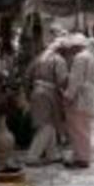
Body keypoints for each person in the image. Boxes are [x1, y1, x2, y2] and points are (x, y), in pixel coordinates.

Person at [62, 33, 94, 169]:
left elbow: (75, 79)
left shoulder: (80, 58)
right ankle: (82, 155)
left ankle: (81, 157)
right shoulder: (93, 57)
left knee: (77, 128)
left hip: (81, 96)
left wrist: (68, 96)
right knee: (84, 127)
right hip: (90, 92)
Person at [25, 38, 68, 166]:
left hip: (36, 91)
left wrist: (28, 93)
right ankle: (32, 156)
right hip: (49, 92)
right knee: (46, 125)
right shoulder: (58, 60)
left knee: (50, 123)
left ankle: (51, 154)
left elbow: (27, 75)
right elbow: (62, 80)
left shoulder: (38, 58)